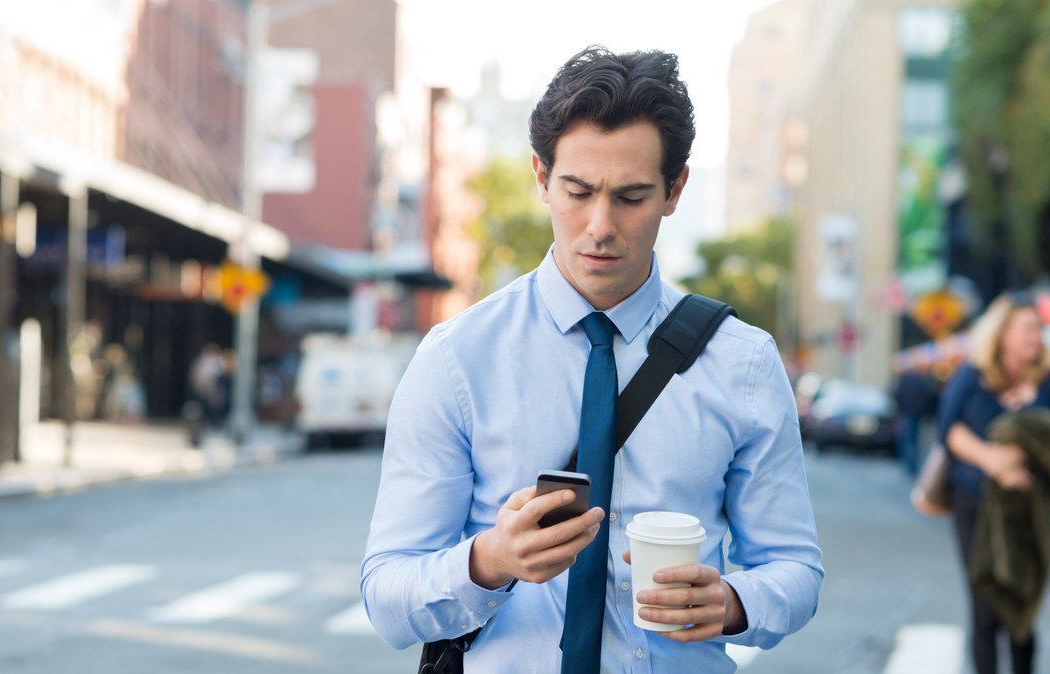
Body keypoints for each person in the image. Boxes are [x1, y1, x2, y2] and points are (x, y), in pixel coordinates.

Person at [360, 47, 822, 673]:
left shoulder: (742, 362)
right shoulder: (457, 358)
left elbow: (795, 567)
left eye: (631, 196)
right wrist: (490, 561)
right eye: (578, 191)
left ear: (675, 189)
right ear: (541, 178)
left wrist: (736, 602)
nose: (600, 226)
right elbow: (387, 596)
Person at [937, 290, 1050, 674]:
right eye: (1028, 329)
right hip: (975, 502)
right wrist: (992, 459)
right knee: (985, 604)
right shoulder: (972, 373)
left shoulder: (1047, 379)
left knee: (1022, 604)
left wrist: (1018, 454)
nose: (1036, 336)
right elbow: (948, 429)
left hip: (1031, 510)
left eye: (1039, 329)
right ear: (1002, 333)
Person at [893, 367, 939, 475]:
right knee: (914, 440)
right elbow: (929, 397)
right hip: (917, 413)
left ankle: (909, 465)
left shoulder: (906, 379)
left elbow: (897, 394)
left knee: (908, 439)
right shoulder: (923, 381)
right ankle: (913, 465)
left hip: (906, 412)